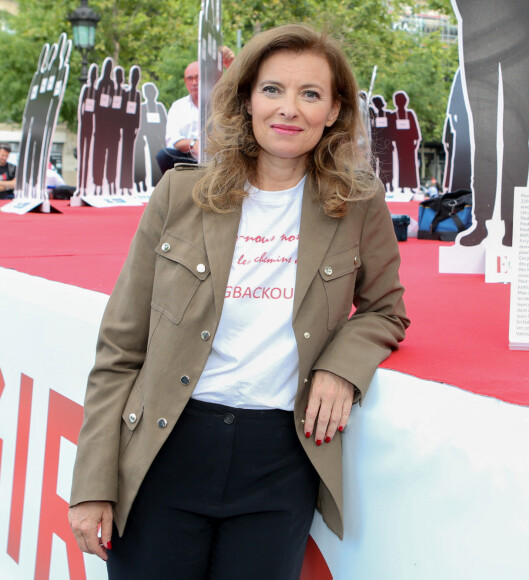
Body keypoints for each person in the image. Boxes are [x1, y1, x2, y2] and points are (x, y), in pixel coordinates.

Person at [69, 23, 409, 579]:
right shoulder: (180, 194)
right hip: (164, 449)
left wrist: (341, 366)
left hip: (278, 462)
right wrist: (92, 484)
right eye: (273, 89)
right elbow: (119, 348)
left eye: (311, 94)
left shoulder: (359, 203)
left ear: (334, 110)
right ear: (247, 97)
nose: (289, 109)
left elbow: (385, 309)